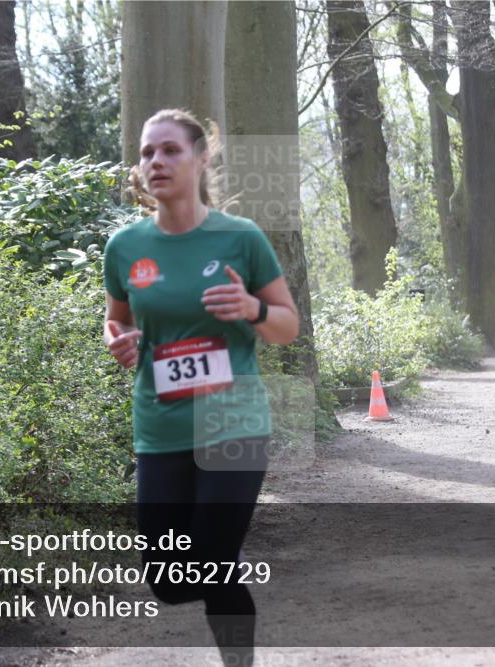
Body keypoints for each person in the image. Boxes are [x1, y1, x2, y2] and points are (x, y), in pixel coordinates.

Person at [103, 108, 299, 665]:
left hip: (232, 420)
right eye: (146, 153)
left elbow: (287, 327)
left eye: (170, 150)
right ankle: (222, 564)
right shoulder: (125, 247)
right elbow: (116, 318)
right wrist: (118, 340)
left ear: (200, 157)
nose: (155, 162)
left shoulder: (240, 239)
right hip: (160, 426)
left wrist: (253, 307)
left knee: (211, 560)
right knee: (168, 580)